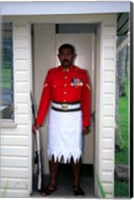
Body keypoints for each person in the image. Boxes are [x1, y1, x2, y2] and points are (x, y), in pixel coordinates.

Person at [32, 43, 91, 196]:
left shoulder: (82, 74)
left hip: (74, 117)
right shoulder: (51, 73)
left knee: (76, 152)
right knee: (54, 151)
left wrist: (85, 123)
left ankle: (76, 185)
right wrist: (38, 121)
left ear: (74, 56)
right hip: (57, 116)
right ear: (58, 56)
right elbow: (45, 98)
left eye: (68, 53)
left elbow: (86, 100)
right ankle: (52, 184)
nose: (65, 56)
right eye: (62, 54)